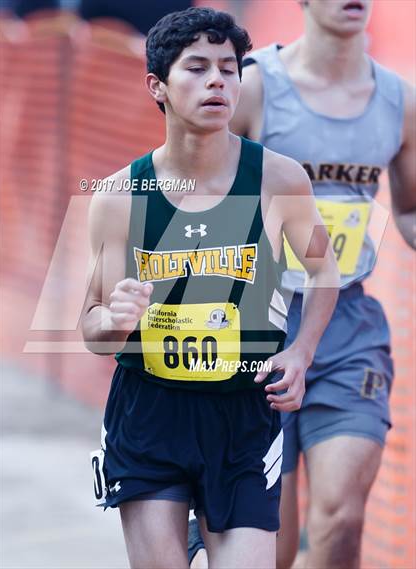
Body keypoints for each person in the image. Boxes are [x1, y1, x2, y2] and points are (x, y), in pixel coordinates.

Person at [82, 7, 339, 569]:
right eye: (197, 68)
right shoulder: (119, 195)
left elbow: (324, 271)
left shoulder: (278, 178)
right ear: (159, 87)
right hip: (151, 411)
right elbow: (92, 328)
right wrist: (115, 318)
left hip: (244, 411)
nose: (218, 80)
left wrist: (301, 352)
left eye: (229, 68)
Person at [188, 1, 416, 568]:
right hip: (253, 328)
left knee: (341, 517)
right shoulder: (255, 87)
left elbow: (410, 213)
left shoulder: (401, 102)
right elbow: (189, 197)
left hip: (347, 326)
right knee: (273, 545)